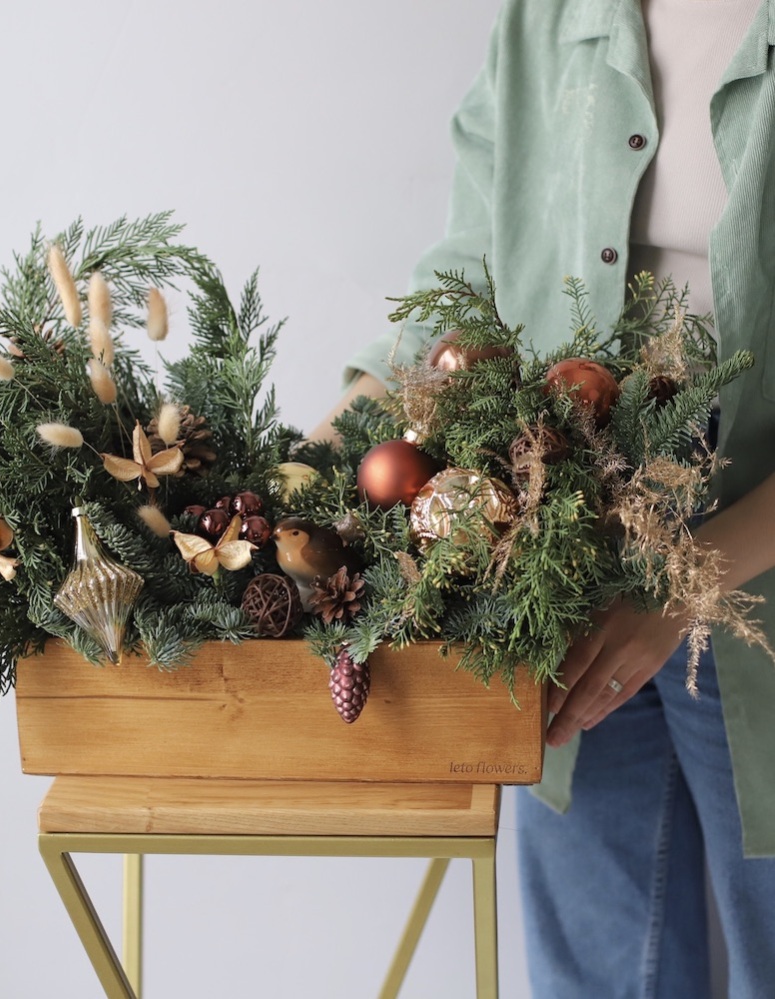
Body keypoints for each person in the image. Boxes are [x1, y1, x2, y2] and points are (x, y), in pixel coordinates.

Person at [315, 1, 775, 995]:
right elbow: (463, 278)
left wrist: (677, 586)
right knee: (599, 958)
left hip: (753, 551)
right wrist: (310, 463)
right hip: (551, 534)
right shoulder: (550, 19)